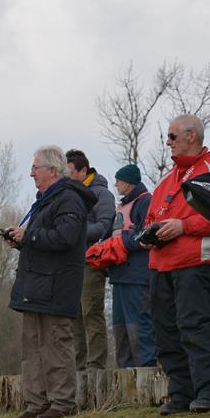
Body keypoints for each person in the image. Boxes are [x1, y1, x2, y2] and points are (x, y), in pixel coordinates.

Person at [144, 114, 210, 416]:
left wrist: (183, 227)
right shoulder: (166, 179)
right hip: (161, 264)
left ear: (191, 136)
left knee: (193, 325)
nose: (167, 143)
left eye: (171, 136)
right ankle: (181, 392)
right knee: (165, 330)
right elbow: (151, 218)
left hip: (196, 260)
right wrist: (147, 236)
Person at [8, 146, 97, 418]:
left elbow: (66, 238)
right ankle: (37, 402)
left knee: (56, 345)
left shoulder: (68, 199)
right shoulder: (45, 201)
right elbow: (46, 239)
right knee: (32, 347)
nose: (31, 173)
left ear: (53, 171)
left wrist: (29, 237)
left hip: (56, 287)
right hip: (35, 286)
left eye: (36, 168)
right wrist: (22, 242)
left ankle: (62, 402)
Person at [66, 149, 115, 370]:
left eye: (70, 173)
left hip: (92, 262)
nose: (67, 178)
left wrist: (75, 231)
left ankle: (96, 367)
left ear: (83, 170)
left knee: (91, 313)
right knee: (74, 316)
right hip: (71, 262)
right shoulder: (70, 193)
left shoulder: (102, 194)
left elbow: (104, 226)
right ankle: (78, 367)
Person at [109, 164, 156, 368]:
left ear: (128, 183)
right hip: (120, 274)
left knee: (139, 326)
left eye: (118, 180)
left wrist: (118, 242)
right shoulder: (122, 206)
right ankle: (125, 375)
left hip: (137, 276)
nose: (116, 184)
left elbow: (146, 235)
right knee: (120, 328)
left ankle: (146, 372)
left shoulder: (145, 202)